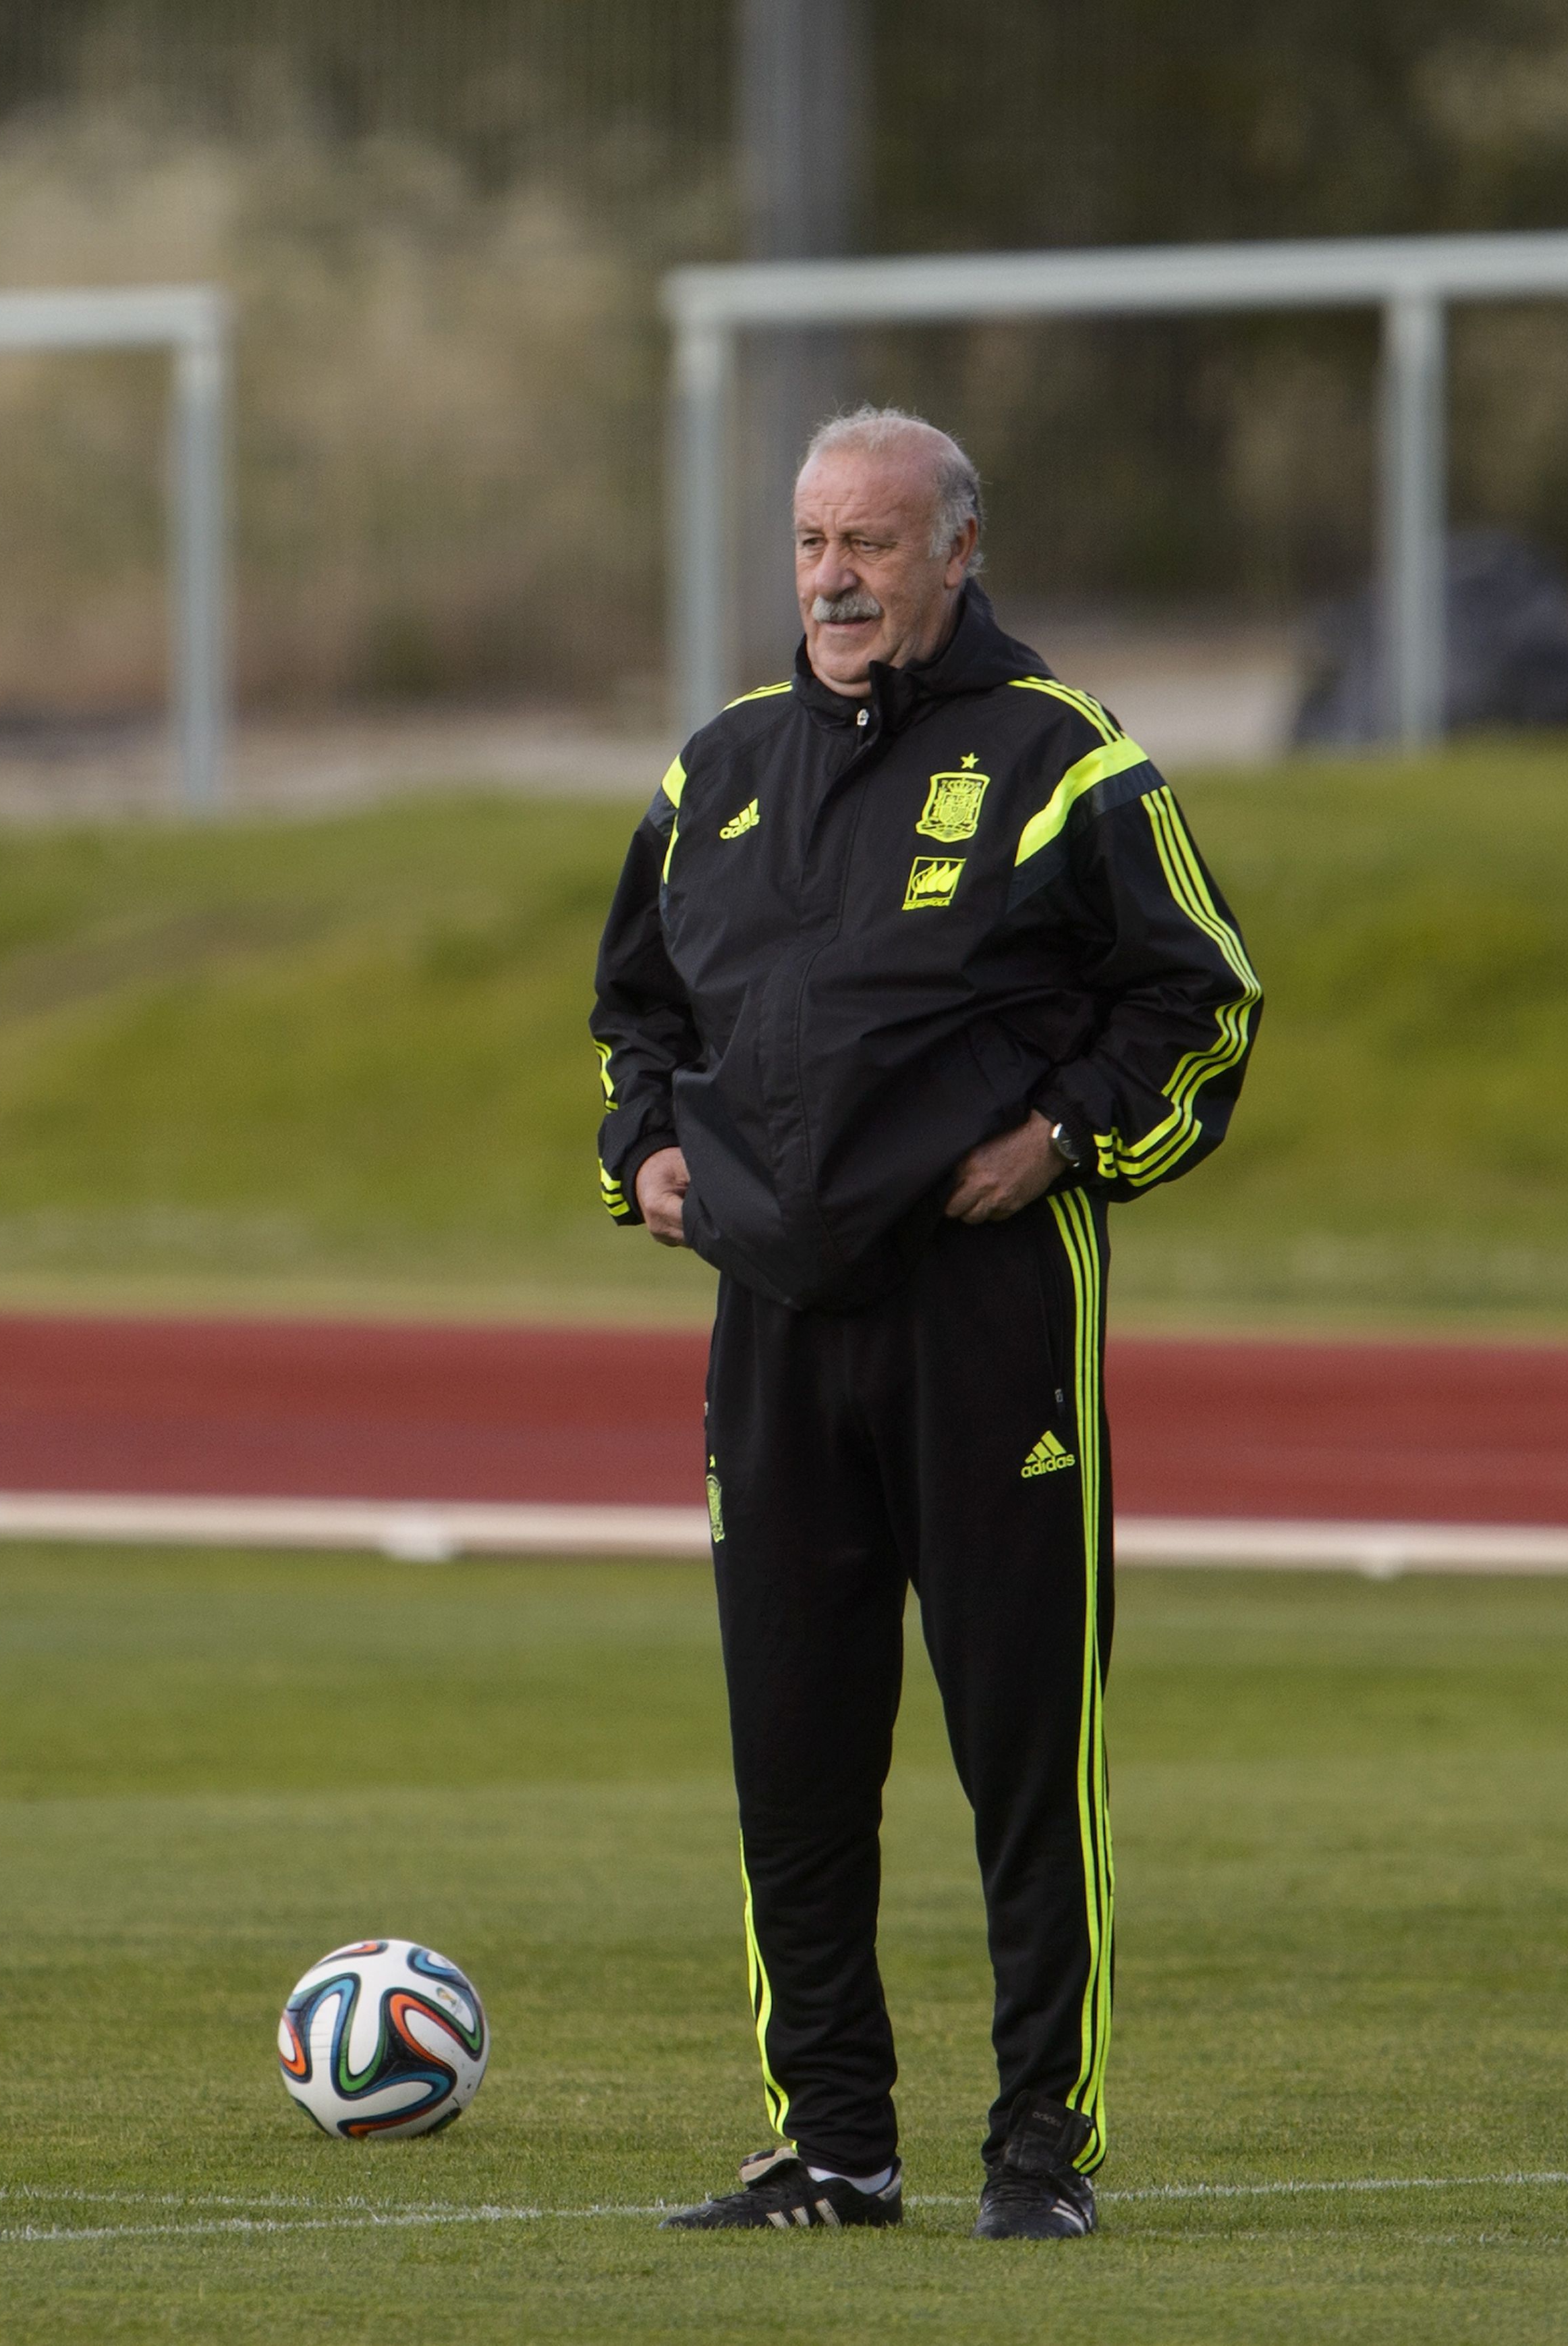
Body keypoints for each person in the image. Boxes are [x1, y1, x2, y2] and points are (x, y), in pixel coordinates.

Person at [592, 408, 1261, 2241]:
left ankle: (1040, 2148)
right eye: (813, 539)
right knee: (792, 1751)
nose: (832, 577)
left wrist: (1062, 1137)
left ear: (960, 549)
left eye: (873, 544)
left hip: (987, 1319)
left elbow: (1200, 1005)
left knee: (1022, 1751)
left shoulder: (1067, 760)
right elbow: (631, 1014)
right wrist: (643, 1150)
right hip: (773, 1328)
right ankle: (832, 2143)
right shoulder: (713, 773)